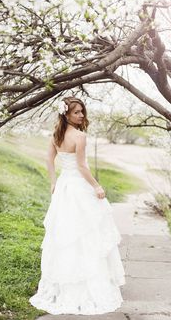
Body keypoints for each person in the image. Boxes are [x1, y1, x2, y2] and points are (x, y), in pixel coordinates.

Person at [29, 96, 126, 315]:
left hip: (64, 186)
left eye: (82, 111)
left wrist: (54, 181)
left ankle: (70, 281)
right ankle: (84, 282)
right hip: (78, 187)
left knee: (68, 233)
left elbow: (49, 160)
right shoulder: (79, 136)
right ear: (66, 114)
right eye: (76, 112)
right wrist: (97, 186)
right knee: (84, 233)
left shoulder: (56, 135)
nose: (81, 115)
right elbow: (82, 167)